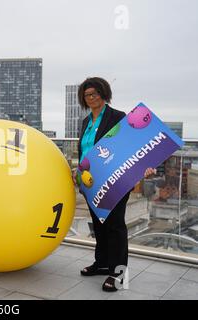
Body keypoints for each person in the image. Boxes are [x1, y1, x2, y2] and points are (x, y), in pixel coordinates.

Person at [74, 77, 156, 292]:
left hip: (115, 180)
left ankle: (118, 274)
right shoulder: (86, 122)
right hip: (92, 183)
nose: (91, 98)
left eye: (95, 93)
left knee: (115, 227)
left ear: (104, 93)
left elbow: (136, 143)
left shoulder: (118, 117)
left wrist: (147, 165)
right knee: (99, 225)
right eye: (87, 95)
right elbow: (84, 150)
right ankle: (101, 264)